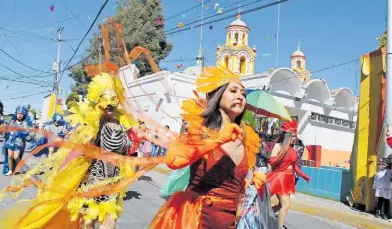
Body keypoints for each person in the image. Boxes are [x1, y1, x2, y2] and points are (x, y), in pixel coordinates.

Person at [0, 73, 137, 229]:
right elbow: (76, 152)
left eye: (113, 100)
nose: (109, 104)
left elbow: (126, 154)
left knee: (110, 222)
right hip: (90, 184)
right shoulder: (92, 124)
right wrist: (59, 174)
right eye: (105, 100)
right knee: (88, 224)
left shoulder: (121, 125)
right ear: (98, 102)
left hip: (112, 184)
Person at [150, 66, 265, 229]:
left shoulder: (245, 138)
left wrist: (251, 182)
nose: (240, 96)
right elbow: (173, 160)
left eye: (243, 94)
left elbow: (232, 184)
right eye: (233, 91)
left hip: (228, 223)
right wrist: (217, 139)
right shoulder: (200, 129)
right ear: (218, 96)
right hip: (195, 220)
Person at [267, 120, 310, 227]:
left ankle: (261, 215)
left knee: (280, 205)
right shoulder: (279, 146)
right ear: (288, 136)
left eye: (296, 136)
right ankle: (279, 227)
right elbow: (271, 162)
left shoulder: (293, 150)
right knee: (286, 204)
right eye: (293, 136)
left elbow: (295, 167)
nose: (295, 138)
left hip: (288, 180)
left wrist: (304, 176)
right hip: (279, 178)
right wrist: (282, 155)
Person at [2, 105, 33, 176]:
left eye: (21, 114)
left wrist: (22, 132)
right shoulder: (11, 121)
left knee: (16, 157)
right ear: (16, 113)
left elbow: (28, 132)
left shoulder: (25, 123)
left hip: (19, 143)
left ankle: (22, 167)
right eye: (18, 113)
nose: (19, 115)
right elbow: (6, 128)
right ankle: (10, 170)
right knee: (9, 156)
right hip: (10, 141)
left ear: (24, 115)